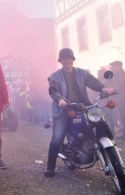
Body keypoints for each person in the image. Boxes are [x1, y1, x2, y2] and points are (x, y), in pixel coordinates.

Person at [44, 48, 116, 177]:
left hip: (83, 106)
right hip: (64, 109)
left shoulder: (82, 73)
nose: (67, 60)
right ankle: (50, 166)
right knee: (57, 138)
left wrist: (104, 88)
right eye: (64, 58)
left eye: (69, 58)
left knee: (100, 122)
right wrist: (60, 99)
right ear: (60, 61)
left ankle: (110, 153)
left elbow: (94, 82)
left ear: (73, 59)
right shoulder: (55, 76)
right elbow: (53, 90)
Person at [107, 61, 125, 141]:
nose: (112, 67)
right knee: (122, 117)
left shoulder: (121, 75)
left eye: (114, 66)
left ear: (119, 66)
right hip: (120, 99)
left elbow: (118, 87)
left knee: (123, 117)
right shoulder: (117, 74)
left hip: (122, 99)